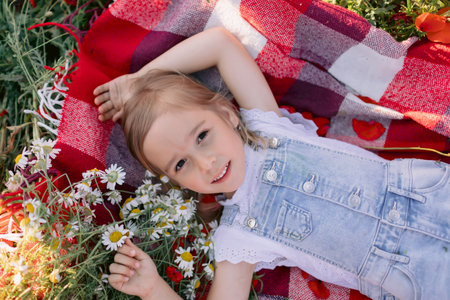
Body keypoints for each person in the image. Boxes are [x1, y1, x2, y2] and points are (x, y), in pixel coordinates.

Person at [94, 27, 450, 300]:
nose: (207, 162)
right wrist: (153, 289)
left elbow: (220, 44)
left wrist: (139, 83)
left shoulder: (266, 124)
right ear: (177, 182)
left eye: (202, 136)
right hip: (422, 275)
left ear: (226, 113)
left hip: (433, 194)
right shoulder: (237, 237)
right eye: (181, 164)